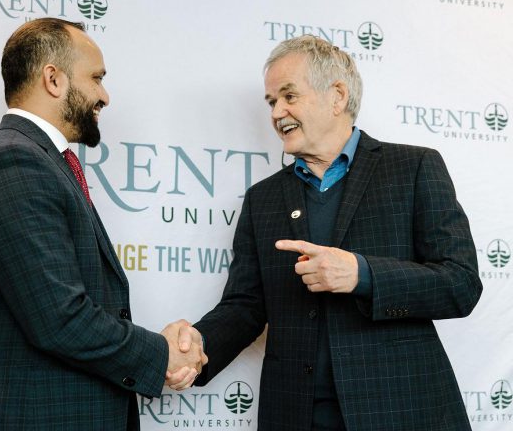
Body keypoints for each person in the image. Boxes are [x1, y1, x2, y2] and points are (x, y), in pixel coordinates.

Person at [172, 35, 482, 430]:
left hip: (403, 411)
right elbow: (245, 307)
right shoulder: (261, 199)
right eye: (271, 102)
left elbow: (461, 284)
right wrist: (195, 348)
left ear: (337, 95)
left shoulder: (415, 168)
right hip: (298, 416)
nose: (277, 112)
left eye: (288, 96)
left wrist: (362, 274)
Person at [0, 18, 204, 431]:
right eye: (96, 78)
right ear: (53, 79)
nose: (105, 95)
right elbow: (59, 317)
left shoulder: (43, 162)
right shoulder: (14, 163)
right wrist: (160, 353)